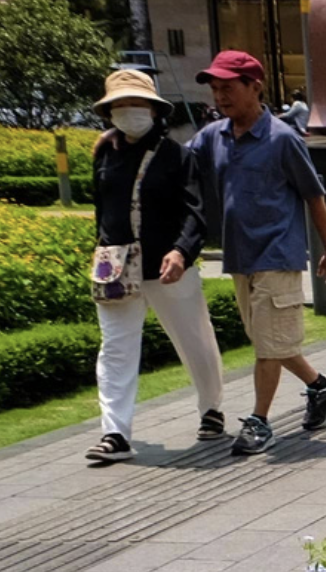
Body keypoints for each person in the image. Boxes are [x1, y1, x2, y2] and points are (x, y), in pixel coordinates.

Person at [190, 48, 326, 456]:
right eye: (215, 89)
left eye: (228, 88)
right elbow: (179, 164)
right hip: (240, 257)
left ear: (255, 87)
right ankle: (321, 387)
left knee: (266, 346)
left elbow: (315, 196)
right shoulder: (213, 136)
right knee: (269, 341)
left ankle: (260, 422)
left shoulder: (281, 139)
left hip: (278, 253)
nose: (220, 97)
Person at [84, 67, 227, 465]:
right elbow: (102, 209)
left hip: (168, 267)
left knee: (195, 338)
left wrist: (181, 251)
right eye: (121, 104)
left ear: (154, 109)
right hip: (116, 269)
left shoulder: (177, 156)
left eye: (137, 103)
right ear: (109, 111)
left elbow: (196, 213)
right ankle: (115, 433)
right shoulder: (104, 154)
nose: (130, 110)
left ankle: (211, 408)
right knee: (115, 349)